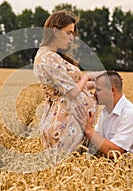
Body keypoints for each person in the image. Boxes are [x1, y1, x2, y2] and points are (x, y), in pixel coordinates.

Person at [33, 10, 105, 158]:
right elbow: (72, 92)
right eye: (68, 33)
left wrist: (99, 83)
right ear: (55, 31)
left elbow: (73, 87)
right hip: (63, 126)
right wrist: (87, 77)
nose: (72, 38)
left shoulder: (52, 56)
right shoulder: (48, 58)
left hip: (68, 123)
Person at [79, 71, 133, 158]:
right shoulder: (106, 111)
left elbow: (115, 151)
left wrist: (89, 130)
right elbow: (97, 140)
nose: (94, 94)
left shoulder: (130, 114)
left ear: (112, 90)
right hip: (116, 168)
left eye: (98, 90)